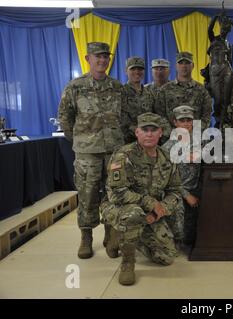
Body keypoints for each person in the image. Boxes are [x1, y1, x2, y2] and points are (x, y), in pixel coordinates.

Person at [58, 42, 125, 259]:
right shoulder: (75, 87)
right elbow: (65, 118)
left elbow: (125, 116)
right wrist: (81, 140)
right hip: (87, 153)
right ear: (88, 59)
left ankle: (110, 236)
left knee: (113, 193)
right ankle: (86, 238)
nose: (102, 60)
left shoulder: (116, 86)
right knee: (87, 195)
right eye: (98, 56)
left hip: (113, 152)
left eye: (106, 56)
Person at [100, 112, 183, 286]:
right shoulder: (124, 155)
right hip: (119, 206)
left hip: (151, 212)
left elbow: (175, 191)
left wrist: (160, 210)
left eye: (154, 130)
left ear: (161, 133)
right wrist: (150, 202)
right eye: (145, 130)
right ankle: (128, 263)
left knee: (166, 256)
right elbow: (117, 192)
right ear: (137, 132)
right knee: (133, 214)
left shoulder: (167, 158)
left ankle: (128, 236)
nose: (149, 134)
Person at [162, 105, 202, 246]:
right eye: (182, 120)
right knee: (181, 235)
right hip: (177, 193)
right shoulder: (168, 148)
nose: (186, 124)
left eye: (189, 120)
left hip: (197, 189)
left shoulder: (202, 141)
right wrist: (186, 195)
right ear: (175, 122)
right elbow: (166, 180)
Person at [156, 51, 212, 130]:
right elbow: (160, 116)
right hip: (171, 136)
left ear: (193, 66)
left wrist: (194, 133)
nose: (184, 66)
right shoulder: (164, 90)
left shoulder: (202, 90)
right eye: (181, 63)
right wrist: (173, 133)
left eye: (187, 63)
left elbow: (206, 116)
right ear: (176, 66)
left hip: (196, 137)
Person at [121, 57, 171, 144]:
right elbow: (122, 122)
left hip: (149, 139)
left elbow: (159, 116)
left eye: (140, 69)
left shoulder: (149, 93)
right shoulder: (121, 92)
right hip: (128, 142)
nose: (137, 72)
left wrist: (166, 132)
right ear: (126, 71)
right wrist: (142, 133)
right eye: (133, 69)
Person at [201, 13, 233, 127]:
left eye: (226, 30)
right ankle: (217, 119)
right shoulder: (213, 39)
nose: (224, 31)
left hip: (226, 69)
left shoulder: (228, 45)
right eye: (223, 28)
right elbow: (209, 29)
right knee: (218, 98)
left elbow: (230, 60)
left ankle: (224, 121)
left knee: (226, 98)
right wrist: (215, 17)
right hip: (214, 69)